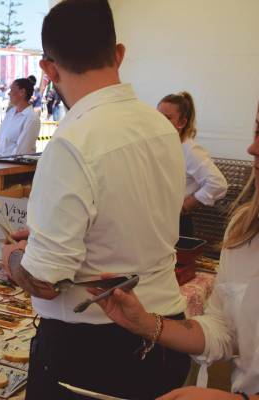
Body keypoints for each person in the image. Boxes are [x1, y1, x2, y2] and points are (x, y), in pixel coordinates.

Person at [1, 1, 189, 398]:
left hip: (94, 349)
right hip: (164, 329)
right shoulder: (160, 127)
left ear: (49, 69)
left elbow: (44, 281)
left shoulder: (73, 142)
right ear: (119, 54)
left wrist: (14, 257)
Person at [91, 104, 259, 399]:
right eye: (257, 130)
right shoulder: (244, 232)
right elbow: (225, 331)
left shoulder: (189, 150)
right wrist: (145, 323)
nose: (252, 147)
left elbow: (215, 183)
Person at [158, 91, 228, 236]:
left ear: (182, 123)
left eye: (168, 118)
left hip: (177, 223)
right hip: (160, 220)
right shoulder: (161, 145)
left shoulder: (190, 150)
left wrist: (185, 206)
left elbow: (217, 183)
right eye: (157, 116)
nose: (160, 122)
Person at [0, 78, 41, 157]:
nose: (9, 93)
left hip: (13, 167)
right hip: (0, 163)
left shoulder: (31, 118)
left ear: (22, 92)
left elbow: (21, 151)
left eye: (11, 90)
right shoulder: (10, 112)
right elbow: (1, 143)